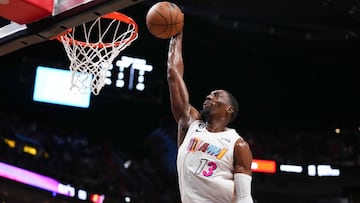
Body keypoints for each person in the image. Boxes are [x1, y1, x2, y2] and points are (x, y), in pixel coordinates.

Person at [166, 31, 254, 203]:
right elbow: (173, 75)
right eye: (210, 94)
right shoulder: (191, 123)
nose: (209, 96)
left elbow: (244, 197)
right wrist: (176, 35)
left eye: (216, 95)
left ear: (228, 109)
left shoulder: (238, 145)